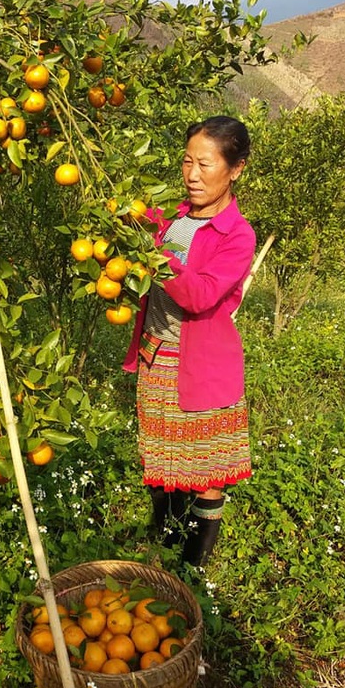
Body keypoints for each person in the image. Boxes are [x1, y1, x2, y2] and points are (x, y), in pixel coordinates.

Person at [123, 115, 256, 567]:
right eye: (187, 162)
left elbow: (199, 295)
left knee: (208, 473)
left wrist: (154, 253)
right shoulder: (174, 219)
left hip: (201, 366)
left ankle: (191, 570)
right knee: (164, 468)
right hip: (157, 359)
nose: (193, 175)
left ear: (235, 169)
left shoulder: (237, 235)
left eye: (206, 164)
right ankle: (161, 554)